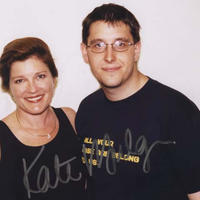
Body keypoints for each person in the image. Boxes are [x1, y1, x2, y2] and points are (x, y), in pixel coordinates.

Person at [75, 3, 200, 200]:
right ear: (85, 52)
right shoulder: (87, 109)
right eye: (98, 45)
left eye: (120, 44)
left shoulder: (177, 111)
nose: (109, 56)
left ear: (136, 50)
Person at [0, 37, 87, 200]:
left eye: (40, 76)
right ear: (9, 87)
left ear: (53, 78)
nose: (32, 89)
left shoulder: (70, 118)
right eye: (20, 81)